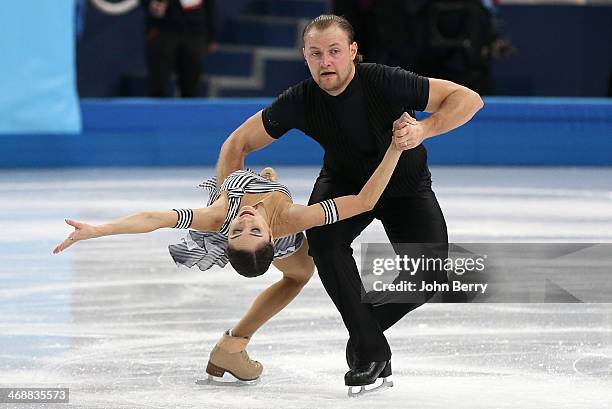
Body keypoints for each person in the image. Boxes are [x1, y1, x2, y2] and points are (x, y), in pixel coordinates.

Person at [214, 14, 483, 396]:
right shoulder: (300, 100)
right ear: (305, 57)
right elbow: (236, 144)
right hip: (342, 186)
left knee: (431, 273)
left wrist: (424, 129)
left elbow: (468, 99)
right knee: (323, 244)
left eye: (335, 52)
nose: (326, 62)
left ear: (352, 53)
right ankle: (370, 350)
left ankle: (363, 334)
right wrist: (228, 200)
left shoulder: (386, 81)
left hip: (405, 186)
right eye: (316, 54)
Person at [53, 140, 404, 385]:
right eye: (251, 229)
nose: (247, 218)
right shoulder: (292, 221)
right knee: (300, 276)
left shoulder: (222, 215)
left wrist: (97, 230)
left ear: (228, 234)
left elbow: (153, 218)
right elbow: (363, 201)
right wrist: (395, 149)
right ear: (269, 237)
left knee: (234, 152)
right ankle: (234, 345)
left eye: (240, 230)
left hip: (250, 208)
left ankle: (233, 345)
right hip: (283, 235)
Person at [141, 0, 218, 97]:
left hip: (194, 31)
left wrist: (212, 36)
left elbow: (210, 5)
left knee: (191, 84)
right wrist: (150, 4)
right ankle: (156, 111)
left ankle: (189, 111)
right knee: (158, 83)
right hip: (162, 30)